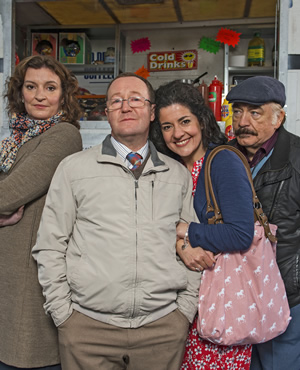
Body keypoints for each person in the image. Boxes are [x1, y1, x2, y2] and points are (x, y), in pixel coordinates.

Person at [32, 72, 201, 370]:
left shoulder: (176, 174)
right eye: (116, 101)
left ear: (151, 112)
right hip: (87, 328)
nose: (126, 106)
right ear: (106, 112)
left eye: (136, 99)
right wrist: (65, 315)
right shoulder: (74, 169)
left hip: (162, 328)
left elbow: (193, 242)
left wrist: (183, 312)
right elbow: (49, 245)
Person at [151, 80, 254, 370]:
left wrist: (184, 231)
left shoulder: (221, 162)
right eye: (167, 126)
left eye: (185, 121)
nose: (178, 133)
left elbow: (239, 234)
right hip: (173, 306)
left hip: (219, 303)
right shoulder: (165, 168)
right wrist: (180, 244)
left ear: (202, 119)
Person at [0, 55, 82, 370]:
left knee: (27, 355)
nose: (39, 96)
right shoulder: (19, 137)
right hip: (9, 268)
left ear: (63, 94)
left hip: (29, 272)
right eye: (31, 87)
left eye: (50, 87)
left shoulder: (62, 135)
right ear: (20, 93)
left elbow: (7, 194)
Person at [226, 75, 300, 370]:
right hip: (235, 292)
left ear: (278, 118)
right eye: (237, 111)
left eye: (254, 113)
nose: (243, 121)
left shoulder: (296, 157)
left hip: (285, 293)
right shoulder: (224, 154)